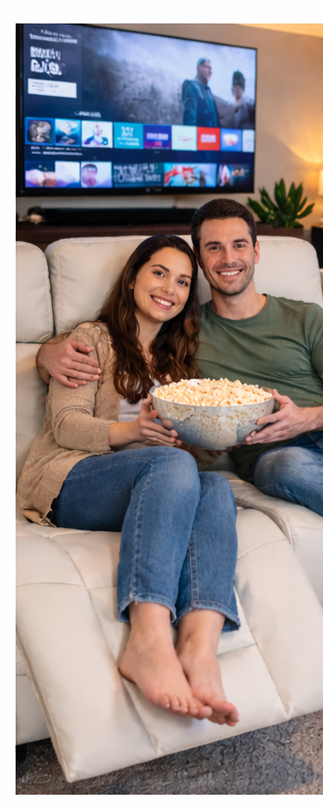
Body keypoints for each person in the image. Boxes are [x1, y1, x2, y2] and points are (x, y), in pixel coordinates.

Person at [37, 200, 323, 556]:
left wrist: (289, 421)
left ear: (255, 250)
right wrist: (46, 352)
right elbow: (103, 353)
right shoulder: (180, 334)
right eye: (213, 247)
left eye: (239, 245)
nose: (228, 258)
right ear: (199, 256)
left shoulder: (292, 319)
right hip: (270, 456)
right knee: (278, 466)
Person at [18, 235, 241, 726]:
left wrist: (224, 431)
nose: (171, 288)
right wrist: (133, 432)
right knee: (172, 467)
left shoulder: (175, 363)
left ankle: (199, 647)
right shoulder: (91, 338)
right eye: (159, 272)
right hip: (67, 478)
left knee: (216, 486)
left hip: (150, 481)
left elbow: (186, 451)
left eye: (183, 281)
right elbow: (65, 425)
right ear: (134, 276)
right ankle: (147, 636)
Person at [183, 58, 219, 128]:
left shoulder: (208, 91)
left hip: (213, 136)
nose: (210, 71)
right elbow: (190, 120)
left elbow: (215, 119)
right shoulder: (192, 87)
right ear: (199, 68)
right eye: (207, 68)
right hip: (199, 136)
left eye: (211, 69)